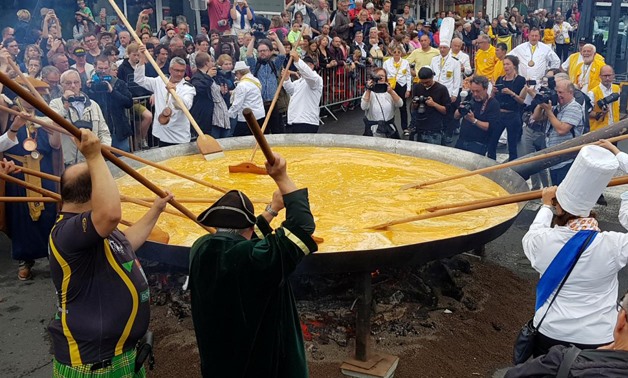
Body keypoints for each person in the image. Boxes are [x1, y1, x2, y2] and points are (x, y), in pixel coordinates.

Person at [49, 128, 173, 376]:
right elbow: (111, 214)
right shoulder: (67, 232)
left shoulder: (93, 230)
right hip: (94, 367)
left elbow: (125, 242)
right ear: (97, 193)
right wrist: (95, 157)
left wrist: (156, 210)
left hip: (119, 356)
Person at [189, 151, 317, 378]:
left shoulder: (200, 249)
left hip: (219, 365)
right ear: (248, 230)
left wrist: (272, 209)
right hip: (260, 367)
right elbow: (302, 227)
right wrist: (282, 178)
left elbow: (248, 238)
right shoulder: (254, 259)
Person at [520, 141, 628, 359]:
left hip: (550, 330)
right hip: (598, 336)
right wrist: (619, 155)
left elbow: (534, 232)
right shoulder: (614, 245)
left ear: (557, 206)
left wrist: (545, 207)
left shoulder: (542, 241)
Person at [0, 78, 61, 281]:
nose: (32, 97)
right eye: (27, 92)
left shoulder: (45, 117)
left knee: (50, 214)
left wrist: (55, 134)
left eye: (36, 94)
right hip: (17, 171)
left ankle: (54, 256)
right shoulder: (7, 114)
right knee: (20, 216)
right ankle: (25, 259)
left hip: (43, 170)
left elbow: (54, 146)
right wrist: (15, 127)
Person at [506, 289, 628, 377]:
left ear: (622, 318)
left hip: (551, 328)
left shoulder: (561, 362)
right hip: (599, 333)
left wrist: (595, 359)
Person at [134, 45, 196, 146]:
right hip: (161, 133)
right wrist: (141, 60)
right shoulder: (160, 81)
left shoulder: (188, 88)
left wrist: (174, 93)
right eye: (177, 70)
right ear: (170, 70)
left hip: (179, 136)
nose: (180, 74)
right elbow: (139, 80)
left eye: (182, 71)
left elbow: (186, 106)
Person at [49, 70, 112, 165]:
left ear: (81, 84)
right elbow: (55, 123)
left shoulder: (93, 105)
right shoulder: (55, 104)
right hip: (68, 162)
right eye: (68, 83)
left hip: (92, 160)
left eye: (76, 82)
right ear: (61, 85)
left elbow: (103, 131)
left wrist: (104, 150)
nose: (73, 86)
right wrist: (65, 106)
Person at [531, 79, 584, 185]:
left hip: (566, 159)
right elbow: (536, 117)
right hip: (554, 158)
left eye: (561, 92)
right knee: (554, 190)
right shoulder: (557, 106)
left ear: (570, 92)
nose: (558, 95)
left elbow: (562, 130)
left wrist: (549, 111)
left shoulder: (574, 107)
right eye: (557, 92)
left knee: (562, 191)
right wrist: (541, 103)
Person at [84, 55, 134, 152]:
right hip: (99, 131)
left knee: (123, 160)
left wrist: (113, 92)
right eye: (100, 68)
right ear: (94, 67)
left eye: (106, 68)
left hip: (118, 130)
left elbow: (129, 103)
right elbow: (86, 104)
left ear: (109, 67)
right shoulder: (90, 84)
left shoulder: (119, 83)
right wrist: (88, 89)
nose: (103, 71)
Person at [246, 33, 287, 134]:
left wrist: (276, 38)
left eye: (264, 50)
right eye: (260, 51)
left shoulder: (274, 64)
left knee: (276, 129)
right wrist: (253, 38)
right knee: (262, 131)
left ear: (270, 51)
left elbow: (283, 54)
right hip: (259, 104)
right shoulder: (255, 65)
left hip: (273, 103)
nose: (262, 53)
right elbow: (249, 55)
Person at [490, 55, 526, 161]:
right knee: (492, 141)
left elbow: (522, 101)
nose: (505, 67)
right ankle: (491, 163)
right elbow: (492, 98)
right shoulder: (500, 79)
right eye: (504, 64)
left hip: (512, 114)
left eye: (508, 64)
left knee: (512, 144)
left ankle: (512, 165)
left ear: (514, 66)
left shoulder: (520, 80)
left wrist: (511, 93)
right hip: (499, 113)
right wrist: (493, 91)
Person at [454, 75, 500, 156]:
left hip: (479, 144)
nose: (475, 94)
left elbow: (489, 127)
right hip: (462, 141)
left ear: (485, 89)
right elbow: (455, 116)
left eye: (478, 91)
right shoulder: (469, 97)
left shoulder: (493, 104)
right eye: (473, 91)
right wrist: (460, 109)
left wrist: (473, 120)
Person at [190, 52, 231, 138]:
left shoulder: (214, 75)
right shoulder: (196, 77)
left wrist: (223, 92)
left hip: (222, 116)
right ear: (206, 63)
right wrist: (208, 77)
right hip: (209, 119)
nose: (213, 63)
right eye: (211, 61)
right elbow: (199, 89)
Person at [283, 51, 322, 133]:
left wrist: (297, 60)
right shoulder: (298, 82)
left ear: (311, 66)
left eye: (306, 65)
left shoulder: (316, 80)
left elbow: (309, 74)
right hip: (293, 121)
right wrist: (286, 79)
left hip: (306, 122)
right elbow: (291, 90)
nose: (300, 68)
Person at [410, 67, 450, 145]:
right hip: (419, 126)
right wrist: (415, 104)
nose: (425, 85)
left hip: (435, 128)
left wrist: (434, 104)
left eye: (427, 82)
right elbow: (413, 108)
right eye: (422, 82)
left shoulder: (442, 89)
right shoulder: (417, 87)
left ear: (432, 77)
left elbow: (446, 111)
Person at [361, 67, 403, 138]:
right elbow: (363, 107)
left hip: (389, 129)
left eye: (382, 76)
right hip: (373, 130)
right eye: (378, 76)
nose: (380, 78)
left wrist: (391, 92)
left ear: (386, 78)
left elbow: (400, 104)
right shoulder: (369, 93)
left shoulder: (390, 92)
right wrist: (368, 90)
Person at [228, 61, 265, 136]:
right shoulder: (255, 80)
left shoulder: (241, 85)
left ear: (238, 73)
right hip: (260, 114)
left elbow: (237, 104)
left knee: (238, 139)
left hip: (247, 118)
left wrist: (228, 115)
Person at [383, 46, 412, 136]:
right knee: (389, 106)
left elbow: (408, 76)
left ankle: (405, 127)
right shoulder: (386, 63)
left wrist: (408, 90)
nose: (396, 54)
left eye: (398, 52)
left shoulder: (405, 62)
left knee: (403, 107)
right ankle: (387, 126)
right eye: (394, 52)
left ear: (401, 53)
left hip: (402, 85)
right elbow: (384, 75)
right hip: (391, 86)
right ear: (391, 53)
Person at [589, 65, 620, 132]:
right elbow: (586, 112)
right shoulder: (593, 93)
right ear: (600, 76)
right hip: (599, 131)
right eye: (605, 76)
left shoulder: (617, 89)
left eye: (609, 75)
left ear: (613, 75)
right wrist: (600, 114)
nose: (607, 78)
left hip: (615, 129)